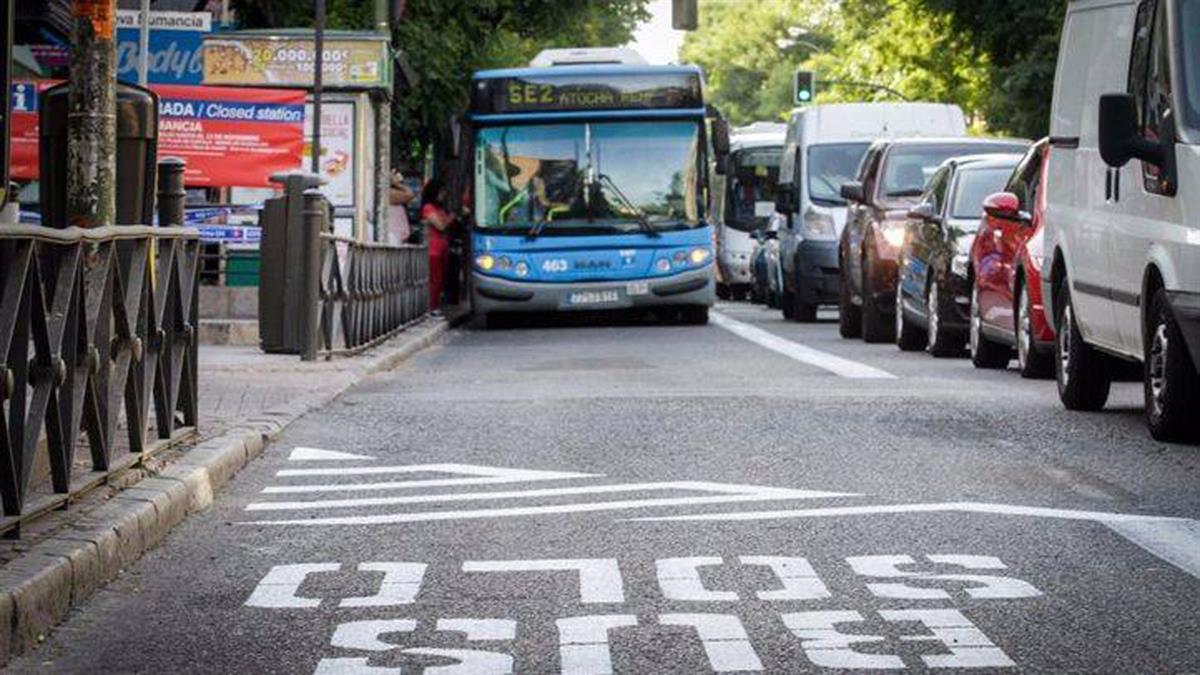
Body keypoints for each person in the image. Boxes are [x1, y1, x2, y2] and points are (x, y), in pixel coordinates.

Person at [420, 178, 454, 315]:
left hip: (442, 248)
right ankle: (431, 307)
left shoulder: (440, 208)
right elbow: (441, 225)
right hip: (433, 249)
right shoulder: (428, 208)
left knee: (440, 279)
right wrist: (451, 218)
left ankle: (434, 305)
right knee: (435, 279)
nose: (443, 195)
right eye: (441, 192)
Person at [387, 169, 415, 245]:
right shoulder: (389, 193)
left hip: (396, 235)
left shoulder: (392, 192)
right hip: (393, 235)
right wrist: (397, 184)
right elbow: (410, 194)